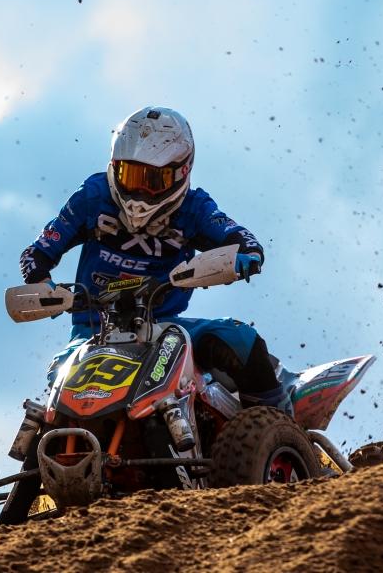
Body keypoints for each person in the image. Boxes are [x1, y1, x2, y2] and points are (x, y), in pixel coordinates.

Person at [19, 106, 290, 413]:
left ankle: (283, 427)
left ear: (181, 172)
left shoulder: (194, 208)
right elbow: (36, 253)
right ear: (114, 166)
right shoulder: (93, 197)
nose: (139, 191)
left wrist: (246, 257)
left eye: (152, 180)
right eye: (130, 175)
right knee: (58, 376)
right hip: (93, 331)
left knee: (241, 339)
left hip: (165, 329)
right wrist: (44, 284)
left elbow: (242, 238)